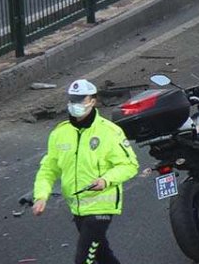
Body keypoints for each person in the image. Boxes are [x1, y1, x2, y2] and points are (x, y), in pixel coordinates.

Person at [32, 79, 139, 264]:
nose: (76, 105)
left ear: (93, 101)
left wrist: (106, 180)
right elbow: (49, 169)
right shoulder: (60, 133)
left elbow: (129, 165)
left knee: (83, 259)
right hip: (77, 208)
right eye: (73, 100)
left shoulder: (109, 132)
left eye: (81, 100)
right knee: (103, 255)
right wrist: (41, 196)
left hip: (102, 206)